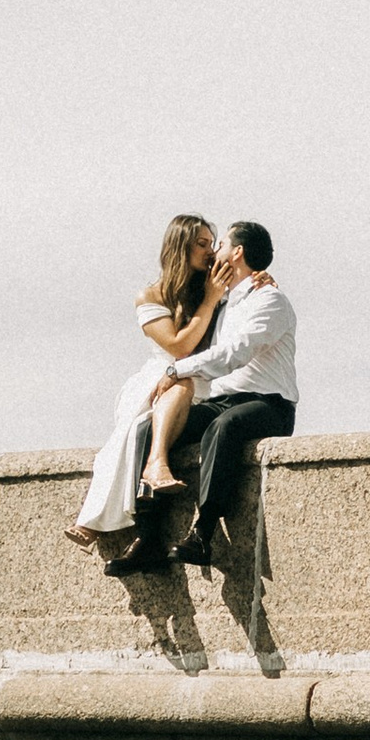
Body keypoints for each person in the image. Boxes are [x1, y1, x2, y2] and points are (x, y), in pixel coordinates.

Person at [129, 220, 297, 575]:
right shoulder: (222, 303)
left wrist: (178, 369)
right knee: (153, 428)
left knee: (224, 426)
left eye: (218, 244)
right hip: (222, 399)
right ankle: (147, 538)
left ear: (236, 252)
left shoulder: (270, 299)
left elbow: (235, 353)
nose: (212, 253)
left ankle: (203, 533)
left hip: (269, 403)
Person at [67, 214, 225, 561]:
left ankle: (98, 519)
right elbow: (178, 346)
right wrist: (210, 301)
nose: (210, 252)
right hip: (157, 378)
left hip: (197, 384)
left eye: (212, 244)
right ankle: (95, 518)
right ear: (180, 246)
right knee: (132, 428)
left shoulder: (211, 287)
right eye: (201, 244)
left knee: (162, 405)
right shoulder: (150, 295)